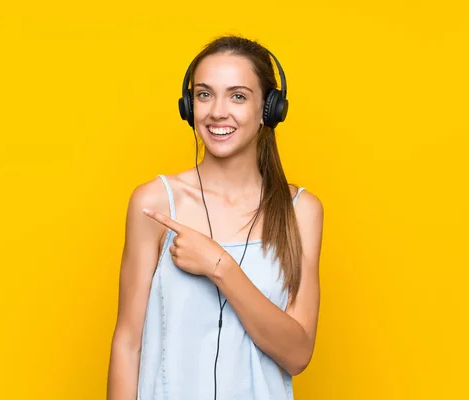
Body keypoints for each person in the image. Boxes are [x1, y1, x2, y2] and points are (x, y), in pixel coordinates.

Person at [107, 35, 324, 400]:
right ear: (189, 107)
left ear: (268, 110)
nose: (217, 111)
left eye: (237, 96)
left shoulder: (301, 210)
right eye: (205, 94)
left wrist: (219, 266)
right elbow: (127, 344)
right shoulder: (156, 203)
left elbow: (298, 353)